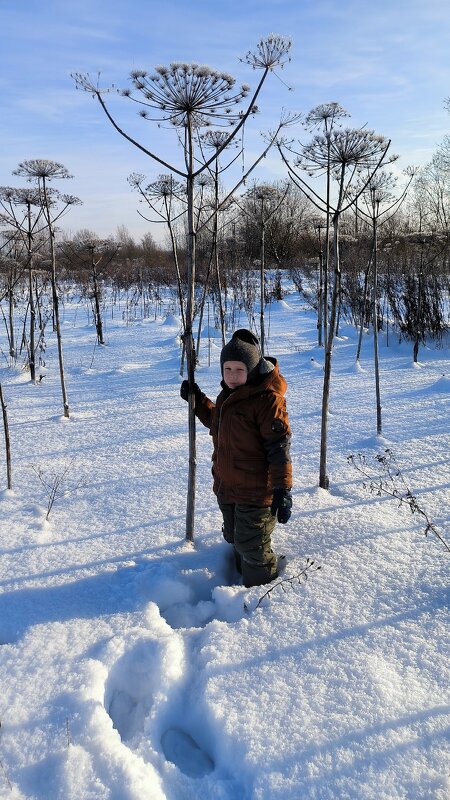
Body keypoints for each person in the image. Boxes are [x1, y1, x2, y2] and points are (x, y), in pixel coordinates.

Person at [180, 328, 292, 588]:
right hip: (228, 488)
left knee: (252, 544)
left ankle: (260, 593)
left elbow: (279, 449)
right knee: (235, 537)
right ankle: (243, 577)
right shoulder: (229, 395)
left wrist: (282, 489)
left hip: (256, 491)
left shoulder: (267, 401)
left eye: (239, 370)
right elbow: (218, 422)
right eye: (227, 369)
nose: (232, 376)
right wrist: (197, 401)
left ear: (252, 370)